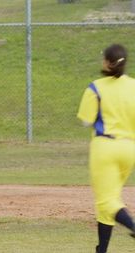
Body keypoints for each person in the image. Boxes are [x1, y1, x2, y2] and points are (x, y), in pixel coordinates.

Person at [77, 44, 135, 253]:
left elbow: (85, 120)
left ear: (107, 63)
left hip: (105, 149)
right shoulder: (133, 86)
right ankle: (102, 249)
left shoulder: (96, 87)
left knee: (107, 201)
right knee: (111, 198)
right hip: (130, 149)